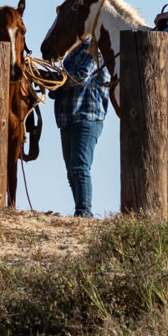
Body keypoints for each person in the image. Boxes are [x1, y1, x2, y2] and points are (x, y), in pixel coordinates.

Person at [49, 38, 111, 218]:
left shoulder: (95, 50)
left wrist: (55, 80)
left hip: (87, 116)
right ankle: (82, 210)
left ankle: (84, 212)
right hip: (68, 118)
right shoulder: (69, 56)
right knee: (73, 171)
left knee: (80, 167)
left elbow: (81, 77)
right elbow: (57, 87)